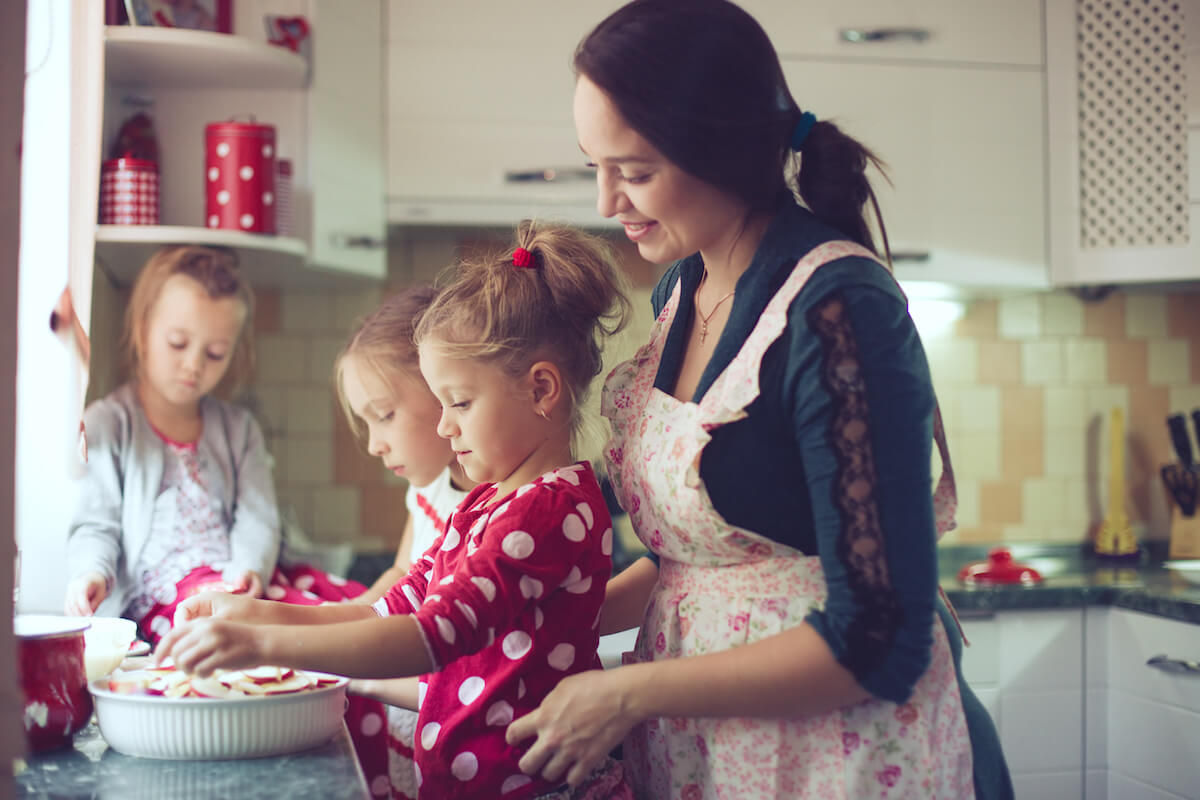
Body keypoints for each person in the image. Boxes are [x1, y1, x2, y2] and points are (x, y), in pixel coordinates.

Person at [505, 2, 1014, 799]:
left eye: (635, 172)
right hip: (709, 754)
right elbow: (698, 565)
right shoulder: (682, 287)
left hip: (839, 761)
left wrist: (626, 692)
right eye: (593, 166)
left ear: (725, 149)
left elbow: (879, 638)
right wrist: (545, 623)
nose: (608, 202)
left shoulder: (839, 310)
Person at [155, 222, 636, 800]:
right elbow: (392, 606)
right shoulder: (493, 503)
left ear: (541, 390)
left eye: (458, 402)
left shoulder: (546, 512)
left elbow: (428, 636)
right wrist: (254, 614)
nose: (443, 425)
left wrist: (262, 646)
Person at [61, 244, 387, 790]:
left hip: (248, 583)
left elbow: (258, 519)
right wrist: (90, 573)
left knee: (357, 628)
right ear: (142, 329)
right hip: (170, 604)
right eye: (178, 344)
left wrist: (248, 571)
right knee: (273, 658)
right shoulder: (109, 424)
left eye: (214, 352)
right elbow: (96, 525)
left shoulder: (239, 430)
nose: (194, 364)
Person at [334, 286, 478, 800]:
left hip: (457, 730)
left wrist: (344, 663)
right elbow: (399, 579)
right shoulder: (427, 491)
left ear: (443, 389)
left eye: (384, 414)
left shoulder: (493, 510)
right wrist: (339, 620)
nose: (374, 443)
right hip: (409, 720)